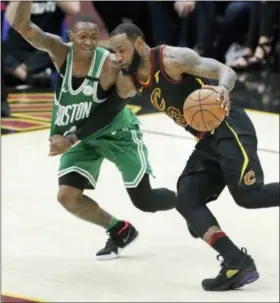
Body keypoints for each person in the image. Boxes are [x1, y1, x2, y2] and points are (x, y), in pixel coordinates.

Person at [109, 23, 280, 291]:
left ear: (139, 44)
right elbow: (113, 95)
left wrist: (222, 88)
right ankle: (237, 262)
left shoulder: (172, 59)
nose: (118, 56)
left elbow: (226, 70)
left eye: (122, 49)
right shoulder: (131, 76)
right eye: (114, 51)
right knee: (187, 200)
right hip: (206, 140)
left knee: (248, 195)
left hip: (228, 124)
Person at [10, 2, 176, 261]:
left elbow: (109, 111)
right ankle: (119, 230)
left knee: (145, 202)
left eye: (93, 37)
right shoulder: (61, 53)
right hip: (81, 138)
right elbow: (23, 26)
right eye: (83, 37)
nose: (88, 43)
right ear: (71, 37)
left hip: (116, 132)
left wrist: (71, 138)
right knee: (67, 197)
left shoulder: (110, 65)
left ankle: (187, 199)